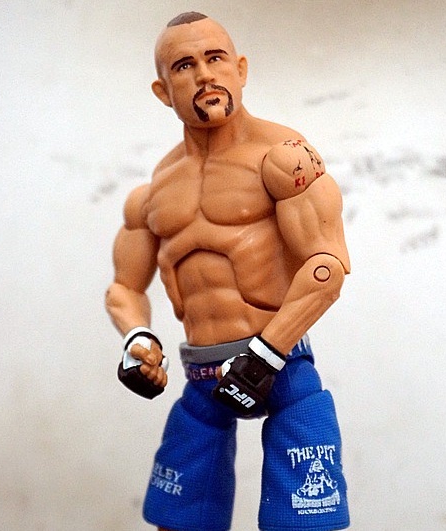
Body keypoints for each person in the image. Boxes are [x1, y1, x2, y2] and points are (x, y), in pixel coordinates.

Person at [105, 11, 351, 531]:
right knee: (178, 520)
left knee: (307, 520)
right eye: (184, 65)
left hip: (283, 368)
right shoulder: (153, 190)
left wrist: (266, 355)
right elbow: (125, 287)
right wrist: (136, 340)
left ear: (240, 69)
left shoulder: (284, 159)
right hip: (202, 377)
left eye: (215, 59)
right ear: (162, 90)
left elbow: (326, 266)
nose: (204, 75)